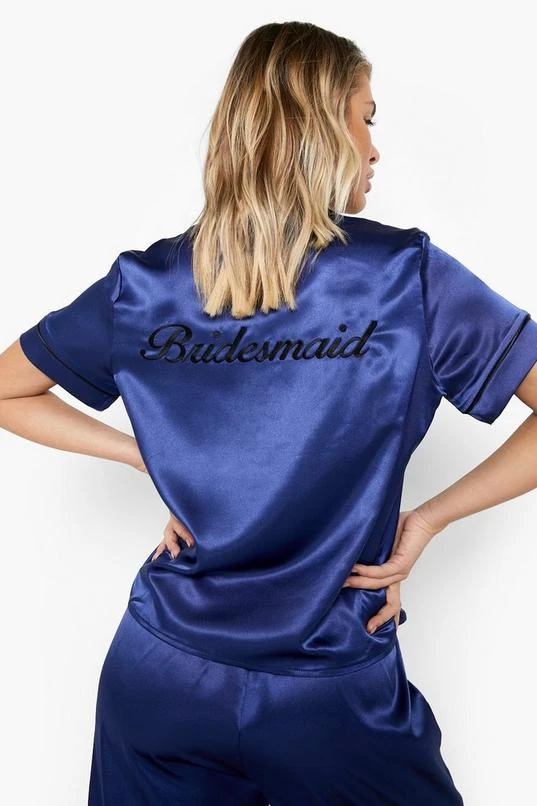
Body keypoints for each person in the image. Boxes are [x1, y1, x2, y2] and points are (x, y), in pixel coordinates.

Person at [1, 20, 537, 806]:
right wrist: (426, 520)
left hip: (159, 673)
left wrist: (158, 458)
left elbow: (8, 389)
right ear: (321, 128)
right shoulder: (407, 277)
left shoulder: (143, 284)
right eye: (366, 118)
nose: (374, 149)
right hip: (327, 689)